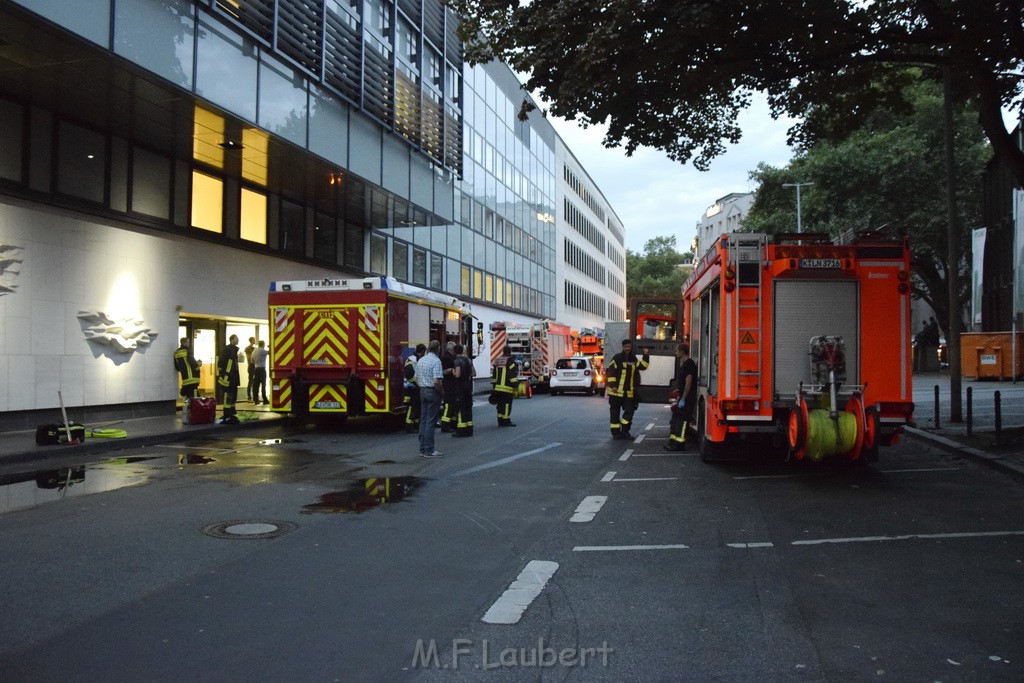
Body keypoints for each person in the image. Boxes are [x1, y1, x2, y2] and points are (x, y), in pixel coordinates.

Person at [606, 338, 650, 439]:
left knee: (629, 412)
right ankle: (616, 433)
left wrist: (646, 354)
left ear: (631, 347)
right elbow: (611, 372)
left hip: (628, 393)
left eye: (629, 347)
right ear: (622, 347)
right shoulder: (617, 358)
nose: (627, 349)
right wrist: (613, 386)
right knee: (614, 414)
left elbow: (643, 366)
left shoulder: (633, 359)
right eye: (625, 347)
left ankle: (625, 431)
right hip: (615, 393)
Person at [665, 343, 697, 451]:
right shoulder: (683, 364)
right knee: (676, 420)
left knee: (683, 421)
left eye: (677, 351)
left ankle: (680, 444)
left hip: (687, 398)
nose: (676, 353)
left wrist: (683, 398)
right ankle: (673, 442)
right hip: (683, 396)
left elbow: (688, 382)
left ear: (682, 352)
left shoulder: (689, 364)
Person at [415, 339, 444, 457]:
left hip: (422, 391)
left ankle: (422, 449)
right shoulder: (436, 361)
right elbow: (437, 381)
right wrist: (442, 393)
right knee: (431, 421)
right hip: (432, 392)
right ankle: (429, 450)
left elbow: (416, 378)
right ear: (438, 349)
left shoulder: (421, 360)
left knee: (423, 420)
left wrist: (422, 386)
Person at [491, 347, 520, 427]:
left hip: (498, 387)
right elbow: (512, 376)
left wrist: (494, 387)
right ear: (510, 352)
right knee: (507, 404)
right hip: (507, 388)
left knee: (500, 405)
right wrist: (516, 385)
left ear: (503, 351)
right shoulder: (510, 361)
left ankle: (500, 421)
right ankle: (506, 421)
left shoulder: (497, 360)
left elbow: (494, 375)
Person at [217, 334, 241, 424]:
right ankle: (227, 412)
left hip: (233, 376)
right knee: (228, 394)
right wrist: (222, 372)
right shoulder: (227, 349)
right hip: (228, 377)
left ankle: (232, 410)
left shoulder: (234, 350)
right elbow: (222, 362)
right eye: (236, 339)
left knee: (233, 393)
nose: (238, 340)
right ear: (232, 340)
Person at [452, 344, 475, 437]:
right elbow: (474, 373)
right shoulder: (468, 360)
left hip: (460, 387)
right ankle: (469, 430)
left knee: (461, 408)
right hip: (468, 386)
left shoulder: (457, 361)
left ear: (454, 351)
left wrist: (452, 371)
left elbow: (457, 374)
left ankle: (461, 430)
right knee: (468, 407)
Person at [403, 343, 426, 433]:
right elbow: (409, 375)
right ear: (423, 351)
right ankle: (409, 425)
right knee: (412, 406)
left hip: (416, 387)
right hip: (411, 387)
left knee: (417, 406)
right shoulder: (412, 359)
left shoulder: (417, 359)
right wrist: (417, 383)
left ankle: (415, 424)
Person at [439, 341, 459, 432]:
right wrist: (452, 370)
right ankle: (445, 425)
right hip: (448, 385)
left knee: (453, 405)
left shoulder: (451, 357)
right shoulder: (446, 358)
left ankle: (453, 424)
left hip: (452, 385)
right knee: (448, 405)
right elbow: (444, 371)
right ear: (452, 349)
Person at [251, 339, 269, 404]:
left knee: (256, 385)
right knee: (263, 385)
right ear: (263, 344)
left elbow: (252, 361)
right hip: (262, 369)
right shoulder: (262, 350)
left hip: (256, 369)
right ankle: (265, 399)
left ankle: (256, 400)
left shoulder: (254, 351)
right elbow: (270, 353)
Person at [243, 336, 257, 402]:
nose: (255, 341)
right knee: (250, 381)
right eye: (254, 340)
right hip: (251, 366)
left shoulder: (254, 348)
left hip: (255, 366)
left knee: (254, 381)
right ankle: (249, 396)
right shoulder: (248, 348)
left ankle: (254, 396)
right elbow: (249, 357)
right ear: (251, 340)